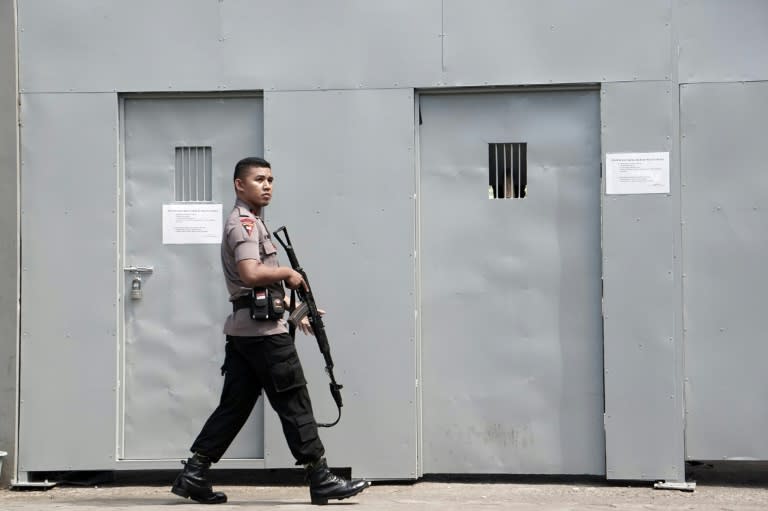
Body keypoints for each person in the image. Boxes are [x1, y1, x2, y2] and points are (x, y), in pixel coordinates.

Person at [171, 157, 370, 505]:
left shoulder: (252, 223)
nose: (267, 186)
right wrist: (288, 275)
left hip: (247, 332)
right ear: (239, 185)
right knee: (294, 399)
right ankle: (320, 478)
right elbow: (250, 274)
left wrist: (296, 312)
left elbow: (257, 293)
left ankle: (195, 472)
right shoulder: (245, 225)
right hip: (264, 337)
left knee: (234, 406)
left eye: (271, 180)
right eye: (259, 179)